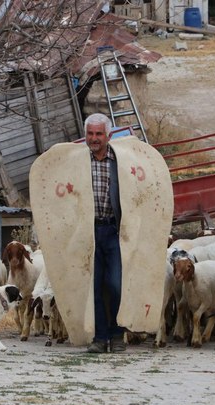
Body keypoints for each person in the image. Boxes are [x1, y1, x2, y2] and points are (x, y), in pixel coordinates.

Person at [84, 113, 126, 354]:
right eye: (90, 133)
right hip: (89, 231)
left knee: (115, 283)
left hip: (113, 230)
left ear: (108, 135)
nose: (94, 138)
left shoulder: (119, 161)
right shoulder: (80, 163)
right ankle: (100, 338)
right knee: (95, 286)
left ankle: (117, 333)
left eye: (99, 133)